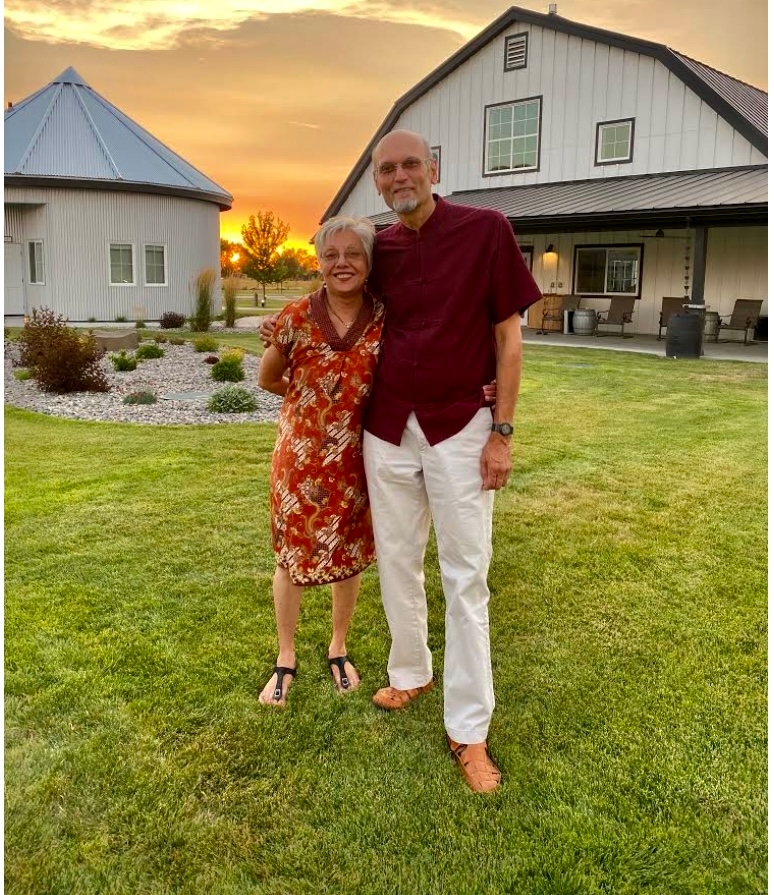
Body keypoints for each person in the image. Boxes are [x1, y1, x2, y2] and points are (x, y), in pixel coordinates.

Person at [262, 130, 541, 792]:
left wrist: (501, 429)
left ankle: (469, 729)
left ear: (434, 170)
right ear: (378, 184)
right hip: (387, 430)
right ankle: (410, 672)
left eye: (410, 163)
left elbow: (508, 340)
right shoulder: (376, 248)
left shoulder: (486, 230)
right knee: (396, 561)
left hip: (461, 427)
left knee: (466, 575)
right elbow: (334, 295)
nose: (399, 175)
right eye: (386, 169)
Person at [256, 215, 384, 706]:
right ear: (319, 263)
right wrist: (310, 401)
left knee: (347, 553)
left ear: (369, 262)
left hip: (355, 458)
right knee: (292, 556)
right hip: (299, 459)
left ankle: (338, 646)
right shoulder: (293, 317)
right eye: (331, 255)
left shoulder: (384, 316)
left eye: (353, 253)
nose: (342, 263)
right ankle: (285, 655)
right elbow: (268, 379)